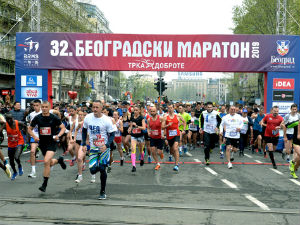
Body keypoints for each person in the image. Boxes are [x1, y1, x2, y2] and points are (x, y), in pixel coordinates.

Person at [28, 101, 67, 192]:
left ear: (49, 108)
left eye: (46, 107)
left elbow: (63, 128)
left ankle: (44, 184)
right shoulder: (37, 118)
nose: (44, 108)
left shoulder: (54, 117)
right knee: (49, 163)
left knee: (46, 161)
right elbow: (29, 129)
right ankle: (59, 160)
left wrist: (58, 135)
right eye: (43, 107)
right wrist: (34, 137)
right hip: (42, 143)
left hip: (52, 142)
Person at [81, 100, 115, 200]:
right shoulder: (88, 117)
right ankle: (99, 167)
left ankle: (102, 191)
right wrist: (83, 143)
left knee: (102, 168)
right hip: (93, 147)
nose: (95, 109)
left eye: (97, 107)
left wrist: (107, 144)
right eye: (93, 107)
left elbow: (112, 134)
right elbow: (84, 130)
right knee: (92, 170)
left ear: (101, 108)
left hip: (104, 147)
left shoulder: (106, 120)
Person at [0, 114, 26, 180]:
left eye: (10, 119)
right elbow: (0, 130)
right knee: (11, 161)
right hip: (11, 143)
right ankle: (15, 172)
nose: (9, 120)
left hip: (19, 142)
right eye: (7, 119)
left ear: (13, 118)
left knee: (16, 157)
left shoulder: (18, 123)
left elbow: (25, 126)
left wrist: (25, 132)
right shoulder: (5, 125)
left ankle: (20, 166)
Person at [162, 103, 186, 172]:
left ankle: (176, 164)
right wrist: (167, 125)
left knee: (175, 148)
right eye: (168, 108)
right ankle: (174, 158)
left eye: (171, 108)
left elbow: (184, 122)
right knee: (172, 150)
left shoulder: (178, 116)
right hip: (169, 136)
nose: (170, 109)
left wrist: (184, 129)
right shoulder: (165, 117)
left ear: (174, 108)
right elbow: (162, 127)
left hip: (176, 135)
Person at [128, 105, 146, 172]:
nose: (135, 111)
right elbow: (130, 126)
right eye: (134, 110)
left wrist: (137, 126)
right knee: (133, 149)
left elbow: (144, 128)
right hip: (133, 136)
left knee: (141, 150)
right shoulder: (132, 118)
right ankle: (134, 166)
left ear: (139, 111)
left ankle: (141, 159)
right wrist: (129, 129)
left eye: (136, 110)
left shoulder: (142, 118)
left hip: (140, 136)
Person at [148, 106, 164, 170]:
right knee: (153, 151)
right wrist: (148, 132)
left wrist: (163, 134)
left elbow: (163, 127)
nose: (152, 112)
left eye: (153, 111)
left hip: (159, 137)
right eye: (151, 111)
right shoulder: (149, 119)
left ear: (156, 111)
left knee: (159, 152)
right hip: (152, 137)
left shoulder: (160, 118)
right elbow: (148, 128)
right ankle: (157, 163)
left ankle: (161, 153)